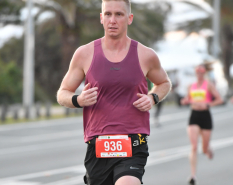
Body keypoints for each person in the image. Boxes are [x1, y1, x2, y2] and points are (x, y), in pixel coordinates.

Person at [56, 0, 171, 184]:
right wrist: (79, 99)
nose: (112, 20)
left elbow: (164, 82)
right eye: (108, 14)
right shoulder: (84, 54)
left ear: (129, 18)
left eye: (119, 14)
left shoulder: (145, 55)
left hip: (134, 142)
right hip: (98, 145)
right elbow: (63, 93)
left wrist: (153, 97)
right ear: (101, 18)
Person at [181, 64, 223, 185]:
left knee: (204, 149)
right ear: (195, 73)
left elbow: (219, 99)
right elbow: (187, 99)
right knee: (194, 146)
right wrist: (184, 101)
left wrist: (208, 105)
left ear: (204, 73)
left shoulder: (208, 85)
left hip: (205, 116)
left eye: (201, 72)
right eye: (197, 72)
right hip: (194, 116)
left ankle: (208, 148)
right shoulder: (191, 86)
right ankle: (193, 176)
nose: (199, 74)